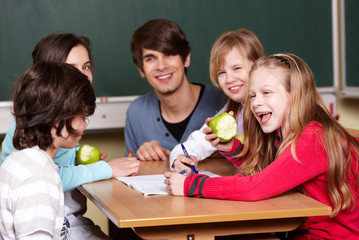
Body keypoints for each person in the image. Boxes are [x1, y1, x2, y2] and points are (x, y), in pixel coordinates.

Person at [164, 53, 359, 239]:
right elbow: (273, 174)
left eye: (266, 93)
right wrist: (232, 147)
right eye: (253, 95)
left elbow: (256, 187)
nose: (256, 103)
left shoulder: (314, 139)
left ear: (296, 94)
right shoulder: (286, 134)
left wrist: (192, 185)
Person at [1, 33, 140, 239]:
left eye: (86, 66)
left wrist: (77, 157)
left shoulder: (33, 155)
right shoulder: (39, 177)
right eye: (82, 117)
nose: (83, 76)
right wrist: (104, 169)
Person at [0, 62, 96, 239]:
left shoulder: (21, 158)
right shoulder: (39, 177)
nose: (85, 125)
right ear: (58, 118)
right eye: (82, 117)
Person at [125, 18, 227, 161]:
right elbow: (129, 172)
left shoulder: (224, 103)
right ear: (140, 69)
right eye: (150, 59)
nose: (161, 66)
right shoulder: (136, 113)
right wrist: (141, 157)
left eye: (169, 54)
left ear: (186, 58)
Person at [168, 29, 264, 172]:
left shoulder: (273, 109)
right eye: (222, 73)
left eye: (237, 68)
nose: (230, 79)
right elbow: (195, 144)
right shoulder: (232, 112)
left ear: (258, 66)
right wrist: (178, 159)